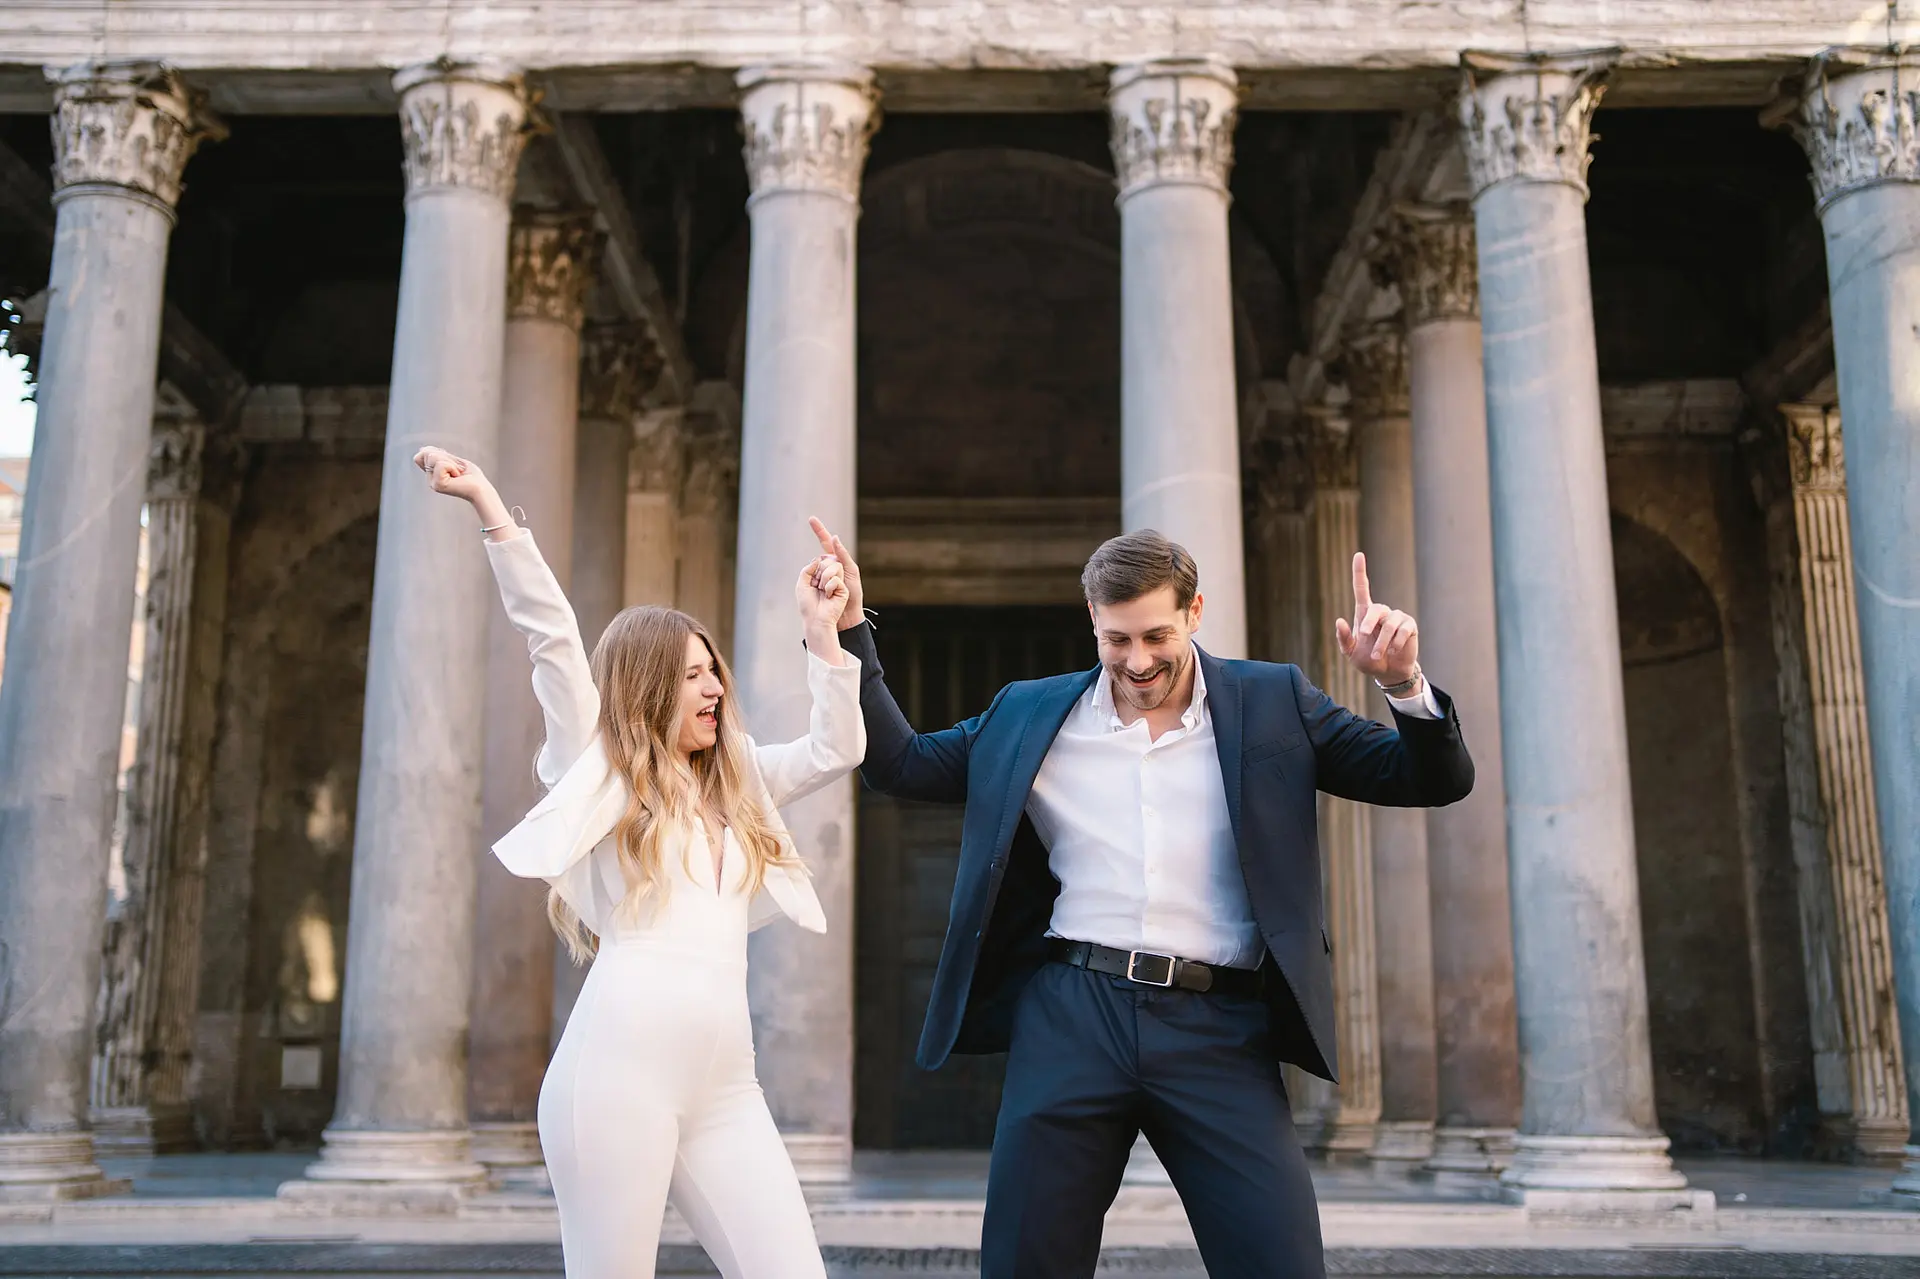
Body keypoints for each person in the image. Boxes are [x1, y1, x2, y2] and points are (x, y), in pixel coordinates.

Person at [810, 519, 1473, 1279]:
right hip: (1073, 1013)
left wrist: (1402, 684)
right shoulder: (1030, 713)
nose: (1138, 660)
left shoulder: (1273, 700)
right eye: (1117, 639)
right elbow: (900, 765)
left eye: (1156, 635)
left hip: (1220, 1026)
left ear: (1196, 611)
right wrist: (851, 630)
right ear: (1092, 619)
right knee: (1028, 1263)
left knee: (1278, 1260)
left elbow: (1429, 779)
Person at [417, 446, 862, 1279]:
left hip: (728, 1088)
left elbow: (842, 745)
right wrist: (490, 505)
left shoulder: (745, 779)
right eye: (693, 676)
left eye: (714, 673)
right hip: (614, 1082)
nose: (714, 689)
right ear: (651, 686)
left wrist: (823, 634)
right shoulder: (601, 771)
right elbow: (550, 636)